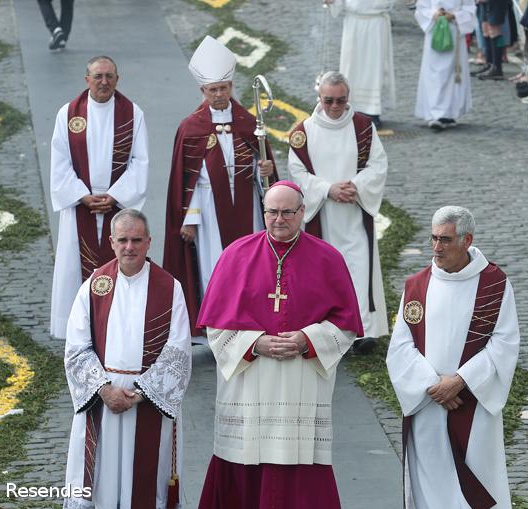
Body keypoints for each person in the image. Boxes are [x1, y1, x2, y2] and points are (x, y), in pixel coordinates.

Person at [196, 181, 363, 508]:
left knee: (300, 464)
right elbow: (215, 326)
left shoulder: (327, 258)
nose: (279, 219)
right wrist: (254, 344)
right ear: (264, 211)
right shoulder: (236, 255)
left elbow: (346, 324)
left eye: (287, 212)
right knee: (243, 458)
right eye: (272, 212)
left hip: (300, 380)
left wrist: (307, 339)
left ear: (303, 212)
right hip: (250, 379)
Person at [386, 206, 521, 509]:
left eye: (445, 240)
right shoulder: (417, 285)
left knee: (476, 481)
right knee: (429, 483)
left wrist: (460, 382)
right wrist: (434, 385)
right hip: (428, 403)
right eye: (433, 238)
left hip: (473, 404)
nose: (436, 248)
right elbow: (400, 346)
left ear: (467, 240)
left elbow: (504, 343)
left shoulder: (494, 285)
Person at [63, 209, 192, 508]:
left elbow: (178, 351)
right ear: (111, 242)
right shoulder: (95, 286)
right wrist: (105, 391)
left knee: (147, 482)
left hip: (148, 403)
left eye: (136, 240)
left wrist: (139, 395)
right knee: (102, 481)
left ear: (149, 241)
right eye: (123, 240)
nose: (129, 247)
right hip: (103, 402)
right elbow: (76, 347)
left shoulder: (169, 288)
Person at [164, 36, 277, 343]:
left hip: (249, 211)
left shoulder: (248, 123)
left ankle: (254, 326)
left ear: (230, 87)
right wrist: (190, 218)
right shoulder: (191, 128)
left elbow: (263, 170)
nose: (218, 94)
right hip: (210, 215)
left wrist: (263, 170)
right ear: (203, 91)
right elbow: (189, 184)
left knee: (252, 267)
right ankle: (220, 331)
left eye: (223, 88)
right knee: (215, 268)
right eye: (212, 89)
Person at [287, 71, 388, 353]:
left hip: (354, 213)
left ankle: (362, 331)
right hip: (323, 217)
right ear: (319, 97)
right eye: (329, 100)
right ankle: (326, 333)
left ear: (348, 97)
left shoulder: (363, 128)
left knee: (358, 267)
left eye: (340, 100)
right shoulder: (303, 133)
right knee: (324, 273)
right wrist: (327, 189)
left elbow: (378, 165)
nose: (334, 106)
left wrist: (355, 187)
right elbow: (297, 173)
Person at [50, 56, 149, 339]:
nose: (104, 82)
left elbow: (140, 162)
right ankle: (79, 330)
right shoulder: (68, 115)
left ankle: (117, 327)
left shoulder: (132, 114)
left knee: (122, 260)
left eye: (109, 76)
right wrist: (81, 196)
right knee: (74, 270)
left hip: (116, 208)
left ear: (117, 79)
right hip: (80, 207)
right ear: (87, 80)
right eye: (98, 76)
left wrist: (115, 196)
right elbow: (60, 161)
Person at [325, 0, 397, 127]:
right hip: (354, 21)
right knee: (351, 67)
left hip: (376, 22)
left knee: (374, 67)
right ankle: (349, 108)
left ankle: (372, 111)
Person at [414, 0, 477, 130]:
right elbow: (421, 7)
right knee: (434, 75)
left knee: (451, 75)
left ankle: (449, 113)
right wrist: (434, 14)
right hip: (434, 32)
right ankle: (434, 113)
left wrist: (454, 16)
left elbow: (469, 8)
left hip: (454, 31)